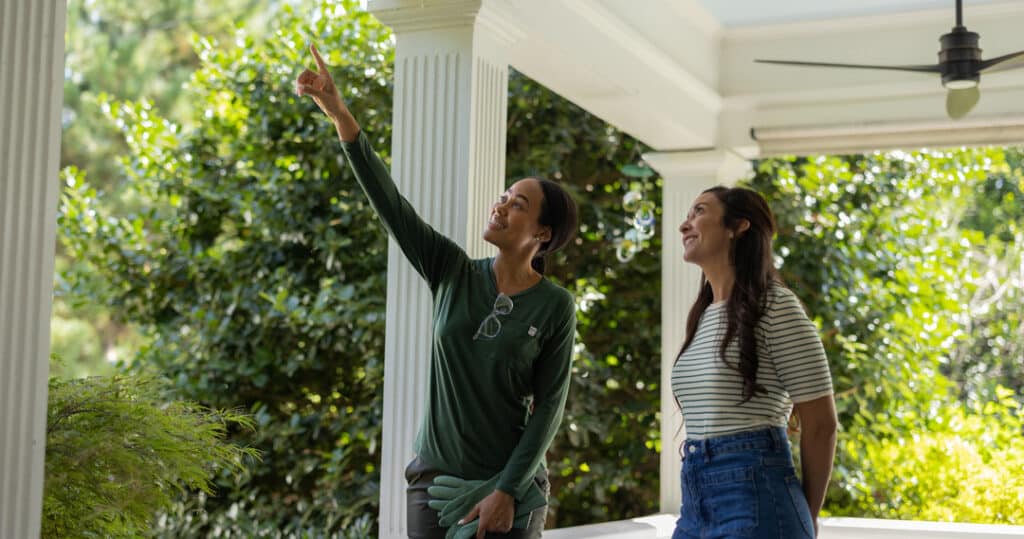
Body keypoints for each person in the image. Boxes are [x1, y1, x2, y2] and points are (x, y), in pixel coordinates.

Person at [295, 44, 578, 539]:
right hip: (435, 481)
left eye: (518, 204)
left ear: (544, 233)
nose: (501, 206)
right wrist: (341, 115)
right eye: (503, 197)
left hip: (509, 488)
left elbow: (549, 411)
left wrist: (507, 490)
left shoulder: (555, 306)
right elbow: (391, 204)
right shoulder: (451, 269)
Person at [671, 186, 838, 539]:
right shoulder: (703, 316)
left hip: (756, 493)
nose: (685, 225)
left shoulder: (776, 307)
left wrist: (805, 515)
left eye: (699, 212)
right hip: (695, 500)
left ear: (738, 227)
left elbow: (821, 423)